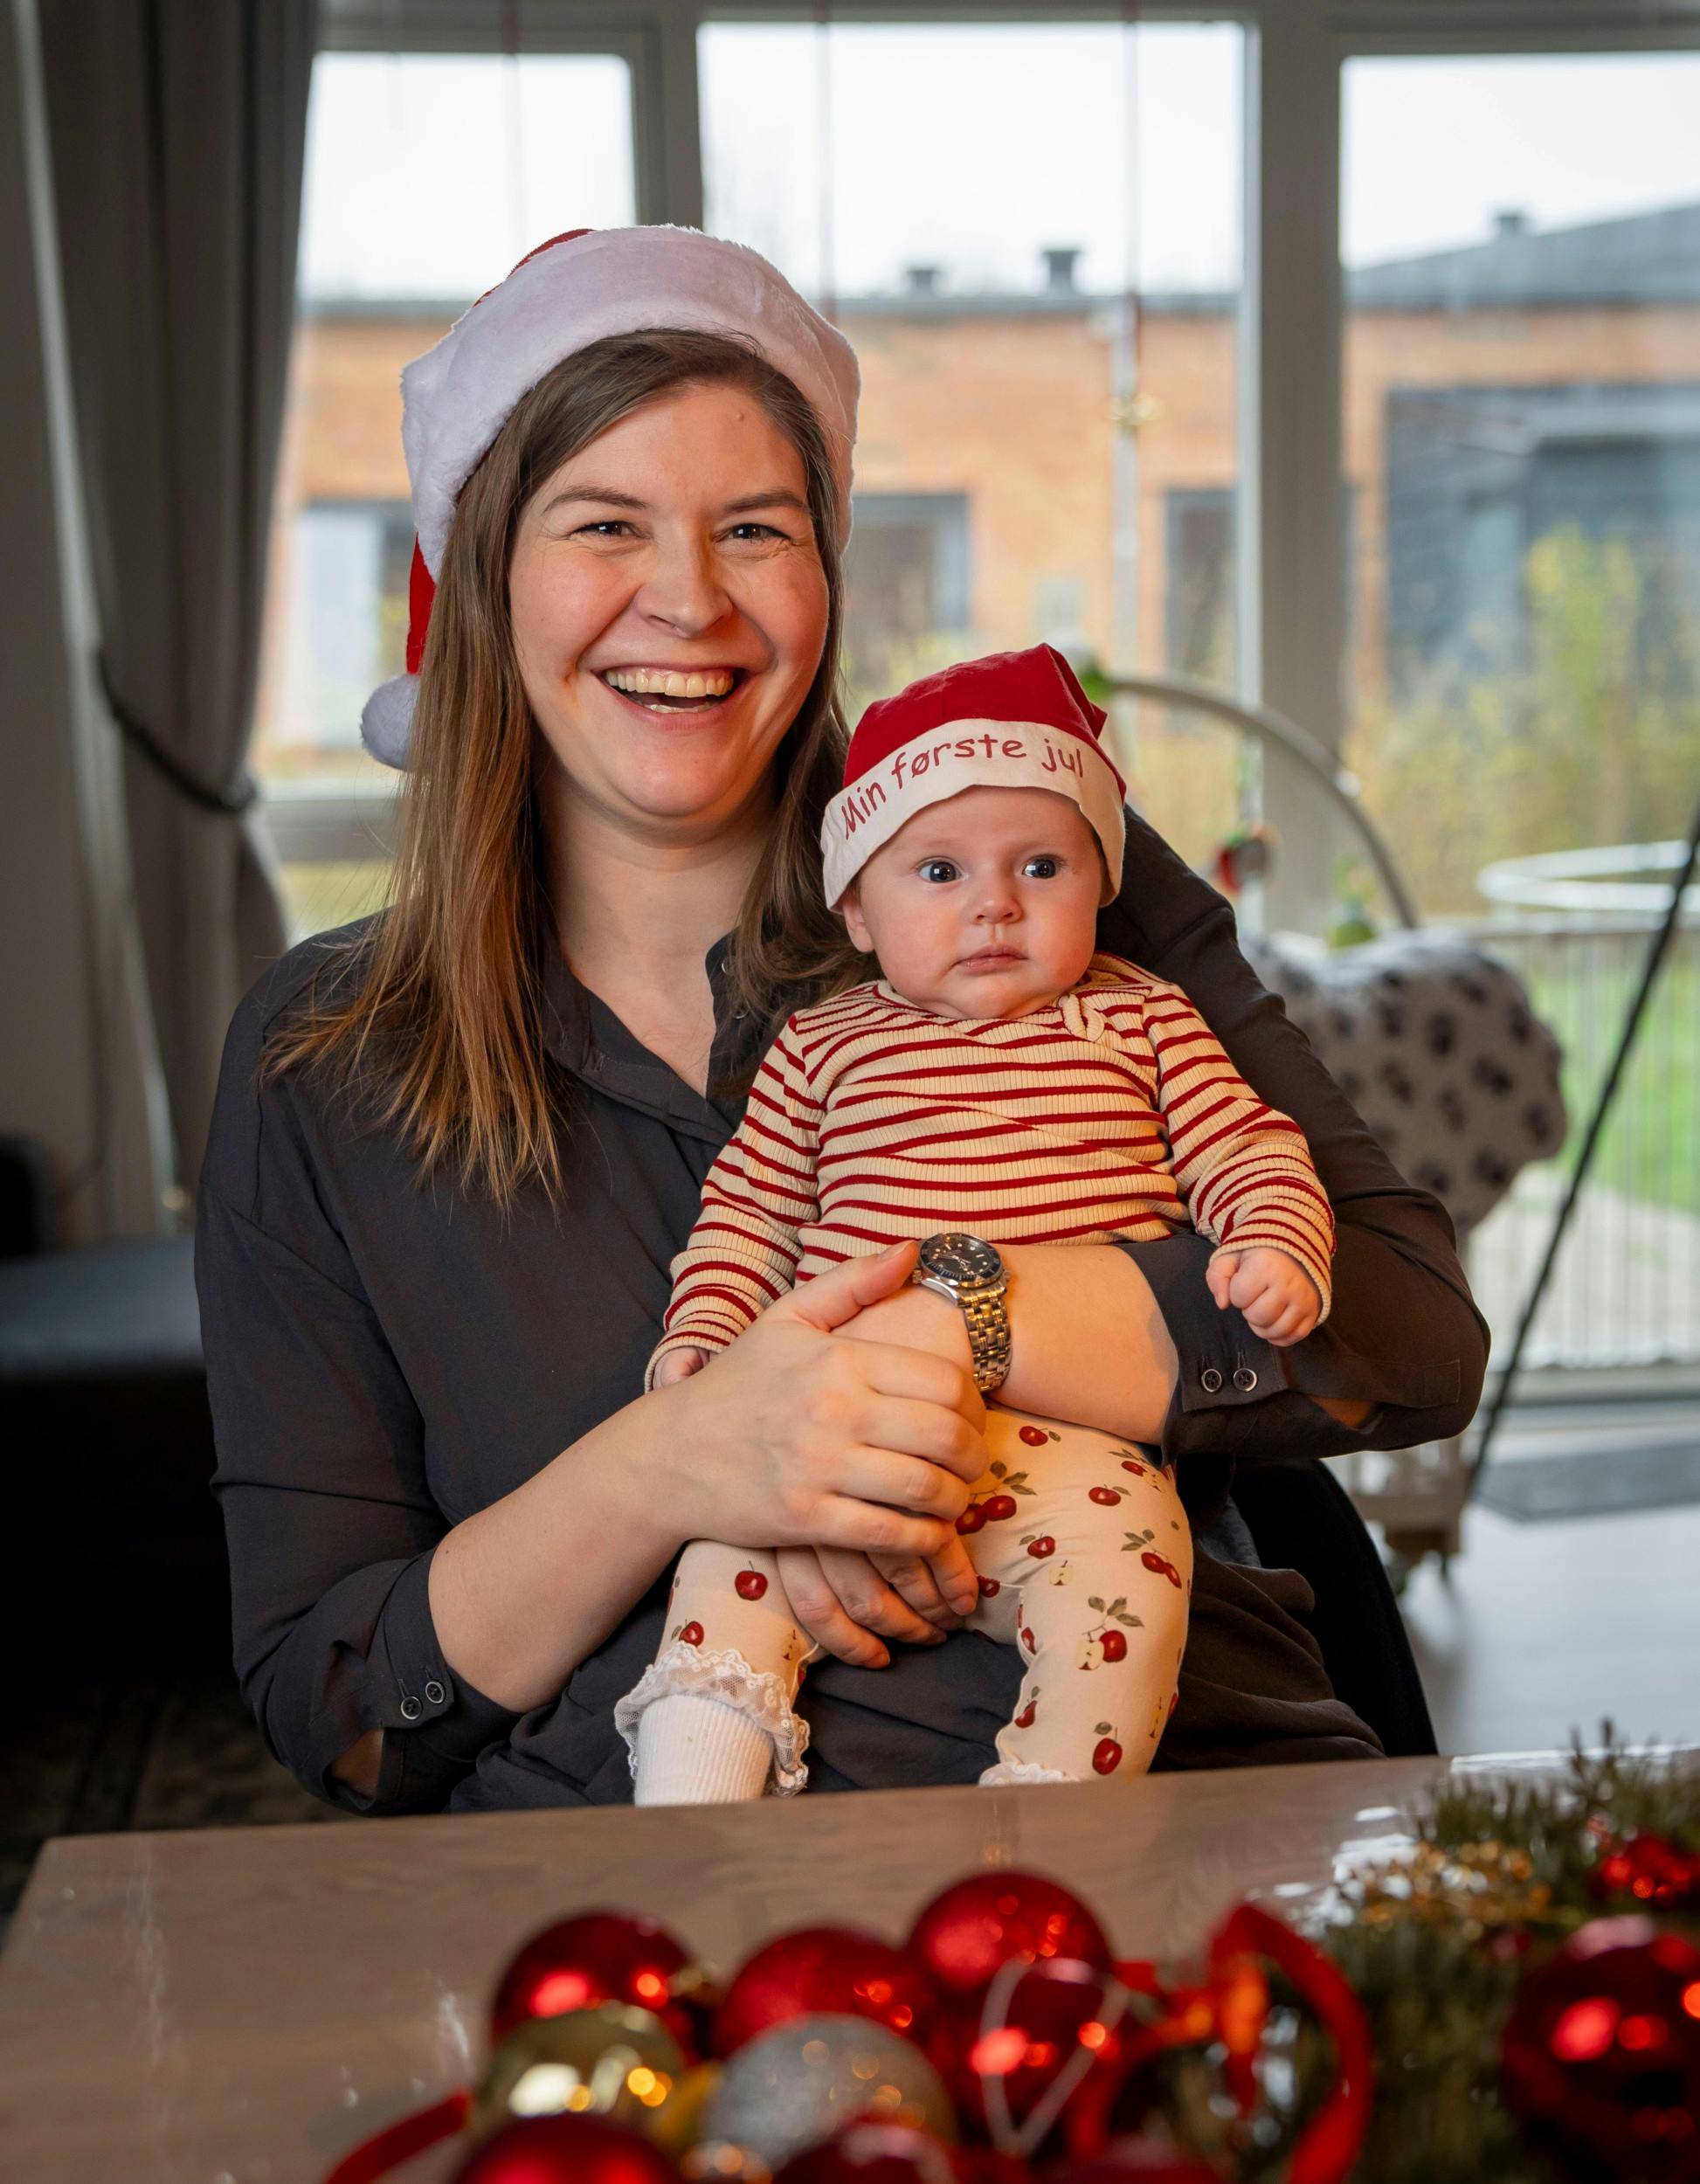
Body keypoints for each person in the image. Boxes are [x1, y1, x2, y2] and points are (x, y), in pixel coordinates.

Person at [197, 226, 1485, 1818]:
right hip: (641, 1879)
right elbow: (338, 1705)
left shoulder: (1031, 866)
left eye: (754, 527)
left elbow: (1412, 1338)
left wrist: (960, 1318)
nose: (686, 600)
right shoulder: (323, 1056)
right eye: (605, 524)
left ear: (826, 572)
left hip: (1164, 1800)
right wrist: (678, 1463)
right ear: (486, 583)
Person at [618, 645, 1336, 1802]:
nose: (994, 902)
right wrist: (701, 1357)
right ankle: (691, 1810)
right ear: (855, 906)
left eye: (1040, 865)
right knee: (723, 1572)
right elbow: (744, 1217)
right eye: (938, 870)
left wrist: (1269, 1240)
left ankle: (1046, 1822)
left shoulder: (1142, 1019)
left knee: (1132, 1592)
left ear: (1099, 883)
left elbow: (1248, 1145)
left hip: (1075, 1451)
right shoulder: (823, 1045)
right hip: (836, 1432)